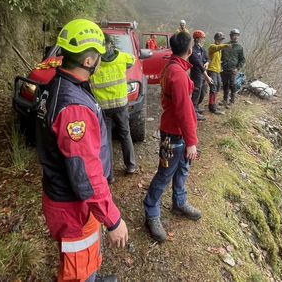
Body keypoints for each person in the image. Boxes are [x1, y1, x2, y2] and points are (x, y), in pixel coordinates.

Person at [37, 19, 127, 282]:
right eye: (98, 56)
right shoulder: (74, 107)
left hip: (65, 197)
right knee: (77, 269)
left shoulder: (59, 84)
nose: (100, 61)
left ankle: (93, 276)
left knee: (84, 256)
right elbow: (86, 175)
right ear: (89, 61)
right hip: (73, 205)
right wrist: (113, 220)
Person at [144, 31, 202, 243]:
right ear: (190, 50)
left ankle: (179, 202)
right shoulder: (178, 74)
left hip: (178, 131)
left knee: (182, 169)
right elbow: (184, 111)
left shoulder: (173, 67)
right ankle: (151, 212)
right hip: (175, 133)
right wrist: (192, 142)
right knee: (165, 174)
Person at [91, 34, 138, 181]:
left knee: (106, 140)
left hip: (103, 107)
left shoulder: (94, 63)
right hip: (120, 104)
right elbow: (133, 60)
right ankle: (131, 165)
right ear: (111, 44)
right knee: (125, 134)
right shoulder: (122, 58)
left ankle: (109, 174)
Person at [189, 30, 213, 121]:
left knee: (203, 91)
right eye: (203, 38)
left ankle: (196, 107)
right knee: (196, 93)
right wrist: (207, 76)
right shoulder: (193, 50)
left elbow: (207, 58)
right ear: (197, 39)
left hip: (202, 74)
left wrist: (207, 63)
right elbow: (199, 65)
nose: (204, 40)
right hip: (196, 75)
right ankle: (193, 112)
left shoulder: (202, 49)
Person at [221, 28, 245, 107]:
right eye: (234, 35)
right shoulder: (225, 45)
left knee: (232, 85)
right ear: (231, 36)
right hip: (224, 68)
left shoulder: (239, 47)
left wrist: (237, 68)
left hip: (233, 70)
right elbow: (220, 57)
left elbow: (242, 60)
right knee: (225, 84)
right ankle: (225, 100)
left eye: (237, 35)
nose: (236, 37)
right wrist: (220, 66)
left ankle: (232, 101)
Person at [207, 32, 229, 114]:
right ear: (216, 39)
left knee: (218, 86)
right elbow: (218, 47)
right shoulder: (212, 46)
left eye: (222, 40)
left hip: (217, 70)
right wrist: (227, 45)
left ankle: (213, 104)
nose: (221, 41)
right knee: (213, 87)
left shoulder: (219, 50)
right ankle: (212, 107)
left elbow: (217, 59)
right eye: (220, 39)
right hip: (212, 70)